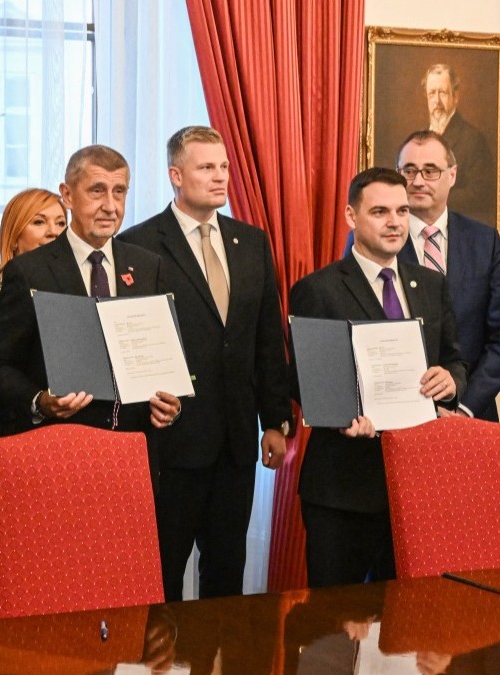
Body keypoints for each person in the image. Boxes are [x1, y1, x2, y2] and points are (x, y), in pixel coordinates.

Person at [119, 126, 292, 600]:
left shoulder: (251, 242)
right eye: (206, 167)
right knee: (163, 576)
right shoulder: (139, 244)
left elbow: (265, 338)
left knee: (226, 575)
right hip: (171, 442)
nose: (220, 178)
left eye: (224, 167)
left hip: (236, 442)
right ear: (176, 175)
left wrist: (275, 421)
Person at [289, 167, 466, 588]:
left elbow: (455, 360)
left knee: (405, 630)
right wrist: (343, 415)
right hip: (344, 487)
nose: (395, 222)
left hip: (416, 483)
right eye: (380, 211)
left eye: (403, 211)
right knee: (333, 632)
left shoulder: (430, 284)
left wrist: (451, 381)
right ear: (351, 217)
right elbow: (303, 380)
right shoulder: (318, 289)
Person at [0, 145, 181, 443]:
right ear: (68, 195)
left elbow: (165, 361)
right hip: (58, 451)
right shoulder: (29, 271)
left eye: (120, 192)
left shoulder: (148, 266)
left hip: (133, 450)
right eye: (97, 191)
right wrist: (40, 401)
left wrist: (172, 405)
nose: (111, 206)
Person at [343, 131, 500, 421]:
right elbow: (353, 324)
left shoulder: (484, 242)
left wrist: (465, 405)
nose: (418, 181)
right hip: (391, 418)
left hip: (471, 415)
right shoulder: (371, 239)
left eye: (430, 170)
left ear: (452, 175)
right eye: (408, 170)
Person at [421, 64, 495, 226]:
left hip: (458, 227)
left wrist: (435, 198)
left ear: (455, 96)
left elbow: (481, 193)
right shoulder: (420, 138)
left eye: (443, 93)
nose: (437, 101)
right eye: (432, 93)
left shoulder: (473, 139)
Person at [0, 188, 66, 305]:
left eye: (61, 223)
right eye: (39, 222)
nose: (54, 232)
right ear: (14, 238)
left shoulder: (73, 284)